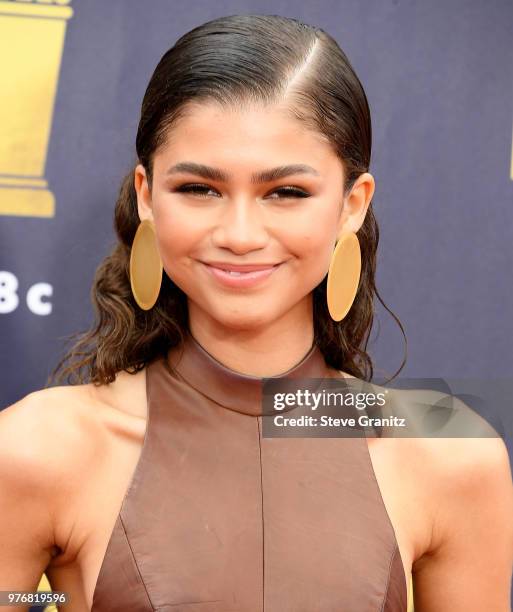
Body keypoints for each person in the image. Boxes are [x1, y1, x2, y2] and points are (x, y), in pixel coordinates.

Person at [1, 13, 512, 612]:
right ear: (146, 195)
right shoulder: (39, 449)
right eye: (199, 189)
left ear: (352, 204)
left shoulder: (452, 452)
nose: (240, 234)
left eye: (286, 193)